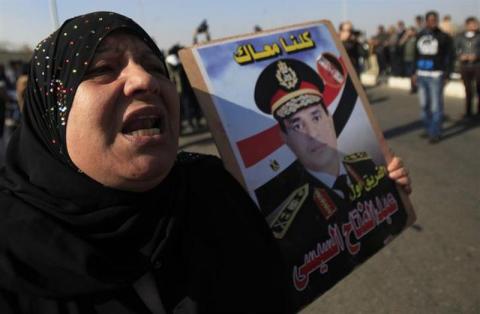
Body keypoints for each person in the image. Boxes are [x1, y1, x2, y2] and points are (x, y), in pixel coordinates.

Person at [0, 12, 291, 314]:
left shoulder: (215, 191)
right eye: (102, 68)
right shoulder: (10, 259)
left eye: (154, 66)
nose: (145, 80)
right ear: (49, 114)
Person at [253, 58, 411, 308]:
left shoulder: (368, 166)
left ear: (330, 118)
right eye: (297, 125)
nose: (313, 133)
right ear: (284, 138)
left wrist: (396, 187)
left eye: (316, 117)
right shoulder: (282, 214)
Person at [412, 11, 455, 143]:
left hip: (436, 76)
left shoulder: (444, 37)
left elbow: (450, 57)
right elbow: (415, 54)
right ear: (426, 21)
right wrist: (414, 72)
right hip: (421, 75)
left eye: (434, 19)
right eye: (430, 20)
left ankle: (435, 132)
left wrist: (447, 74)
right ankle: (429, 128)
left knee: (436, 106)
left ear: (437, 20)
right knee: (424, 105)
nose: (432, 22)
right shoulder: (420, 35)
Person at [456, 17, 480, 117]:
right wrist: (460, 56)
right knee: (468, 90)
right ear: (467, 25)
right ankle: (468, 112)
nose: (475, 26)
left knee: (479, 89)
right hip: (465, 67)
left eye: (476, 24)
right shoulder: (460, 37)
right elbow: (455, 49)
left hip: (477, 66)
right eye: (472, 24)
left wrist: (477, 56)